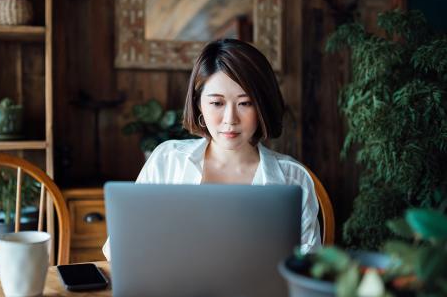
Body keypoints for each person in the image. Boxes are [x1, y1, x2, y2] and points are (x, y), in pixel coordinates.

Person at [103, 38, 321, 260]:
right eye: (217, 103)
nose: (230, 119)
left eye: (245, 103)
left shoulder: (293, 178)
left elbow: (308, 268)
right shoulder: (168, 160)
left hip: (257, 296)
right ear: (199, 104)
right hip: (170, 293)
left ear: (262, 105)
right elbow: (117, 249)